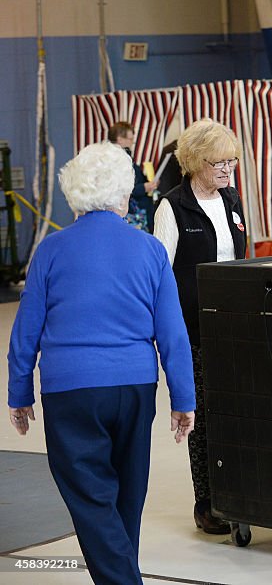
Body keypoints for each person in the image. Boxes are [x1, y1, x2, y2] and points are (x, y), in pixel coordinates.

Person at [7, 141, 195, 584]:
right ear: (125, 194)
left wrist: (19, 393)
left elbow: (25, 332)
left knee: (91, 497)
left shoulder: (50, 251)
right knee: (127, 496)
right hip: (133, 387)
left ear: (73, 194)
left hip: (70, 389)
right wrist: (183, 399)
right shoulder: (149, 250)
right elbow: (173, 333)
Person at [153, 119, 246, 534]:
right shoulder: (172, 207)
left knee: (238, 410)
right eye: (219, 163)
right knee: (203, 416)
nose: (227, 171)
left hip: (235, 325)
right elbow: (158, 274)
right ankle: (207, 502)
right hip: (195, 328)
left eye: (232, 162)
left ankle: (241, 492)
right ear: (193, 162)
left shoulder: (232, 200)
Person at [109, 121, 159, 232]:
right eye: (130, 139)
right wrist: (144, 187)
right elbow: (121, 190)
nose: (132, 143)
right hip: (132, 217)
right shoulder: (118, 160)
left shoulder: (114, 159)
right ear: (120, 139)